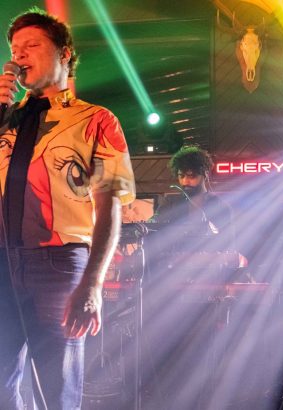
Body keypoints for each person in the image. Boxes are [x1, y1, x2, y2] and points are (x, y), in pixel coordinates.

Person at [0, 8, 135, 410]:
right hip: (2, 261)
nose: (19, 55)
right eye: (14, 48)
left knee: (56, 391)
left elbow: (109, 205)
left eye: (32, 45)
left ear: (64, 53)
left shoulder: (96, 120)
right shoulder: (4, 119)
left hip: (58, 263)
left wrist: (93, 282)